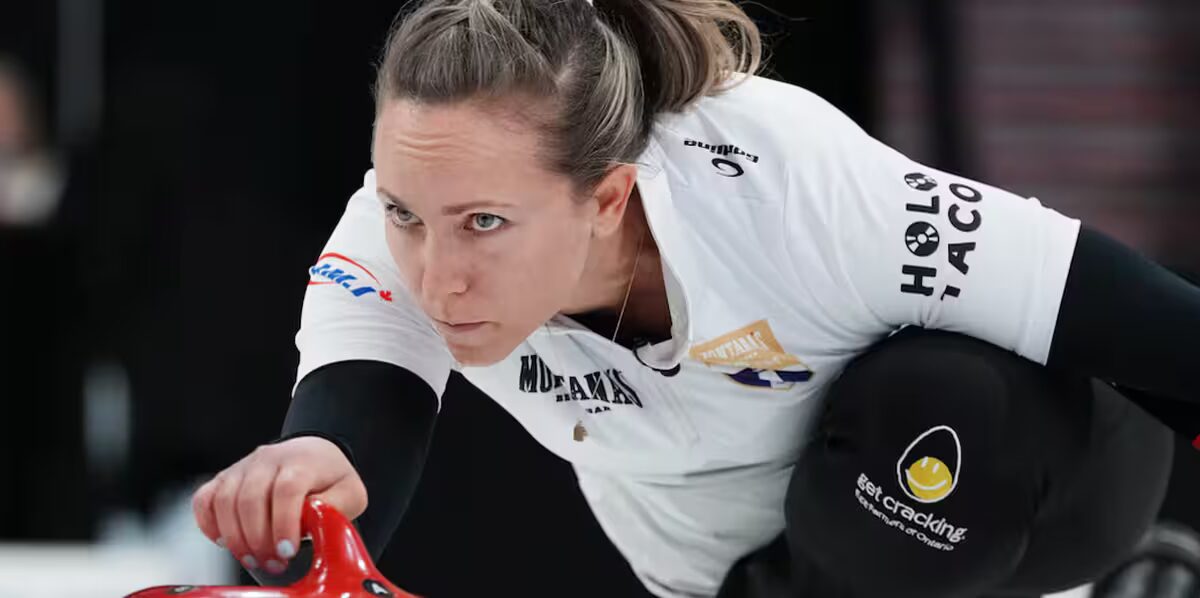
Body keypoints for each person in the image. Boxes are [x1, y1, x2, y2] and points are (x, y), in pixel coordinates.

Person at [190, 1, 1199, 596]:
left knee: (929, 407)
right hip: (752, 568)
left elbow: (1158, 331)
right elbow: (361, 415)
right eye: (404, 212)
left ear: (608, 196)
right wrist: (308, 478)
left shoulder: (790, 190)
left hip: (1045, 468)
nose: (436, 276)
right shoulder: (413, 220)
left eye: (485, 224)